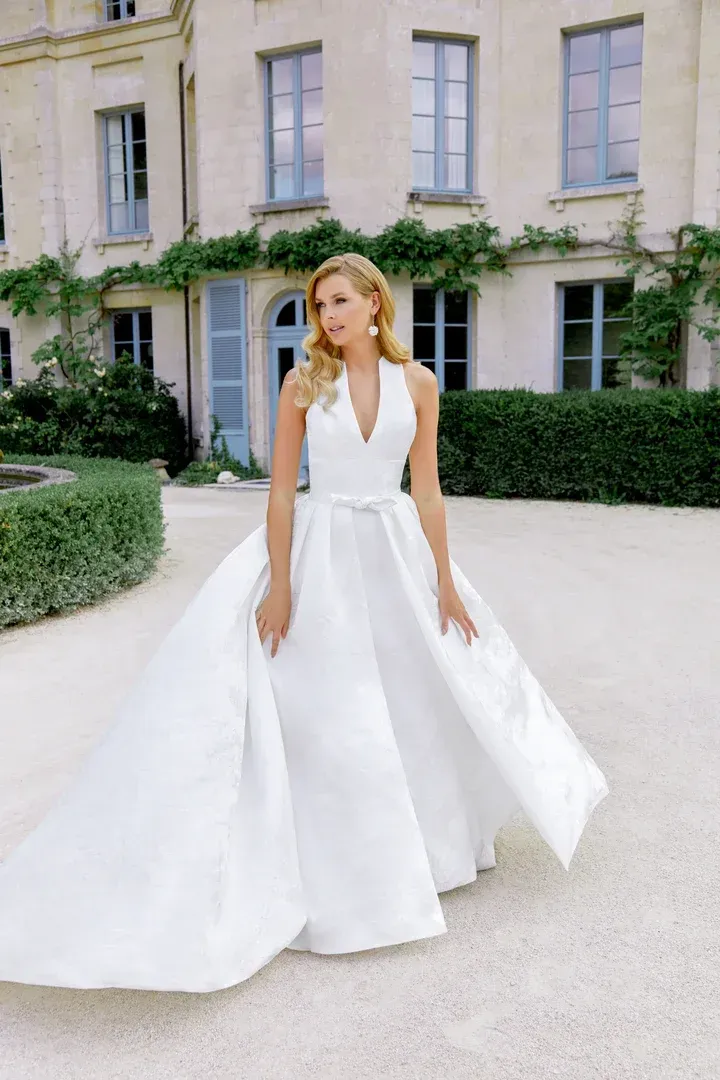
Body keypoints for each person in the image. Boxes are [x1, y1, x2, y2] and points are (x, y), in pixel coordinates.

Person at [0, 253, 608, 994]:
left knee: (416, 698)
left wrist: (445, 583)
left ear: (375, 301)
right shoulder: (301, 383)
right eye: (321, 305)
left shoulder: (418, 382)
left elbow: (428, 492)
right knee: (328, 711)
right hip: (320, 550)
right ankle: (335, 869)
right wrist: (281, 584)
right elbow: (282, 494)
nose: (329, 316)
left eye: (341, 301)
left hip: (393, 550)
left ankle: (430, 851)